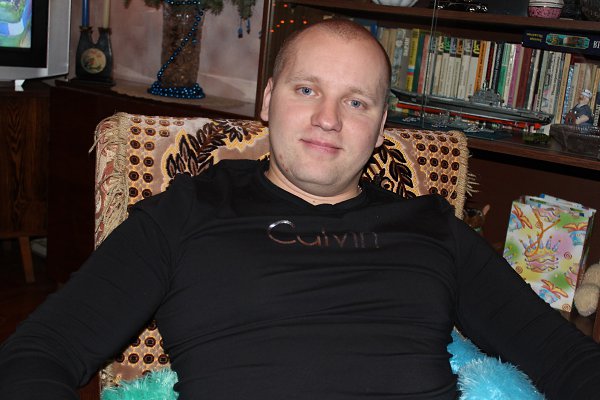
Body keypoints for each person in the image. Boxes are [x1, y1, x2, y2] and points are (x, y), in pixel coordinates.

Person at [1, 19, 600, 400]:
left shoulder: (430, 226)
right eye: (307, 89)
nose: (327, 119)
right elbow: (39, 353)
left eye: (356, 102)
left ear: (380, 128)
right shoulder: (187, 211)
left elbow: (565, 358)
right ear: (268, 100)